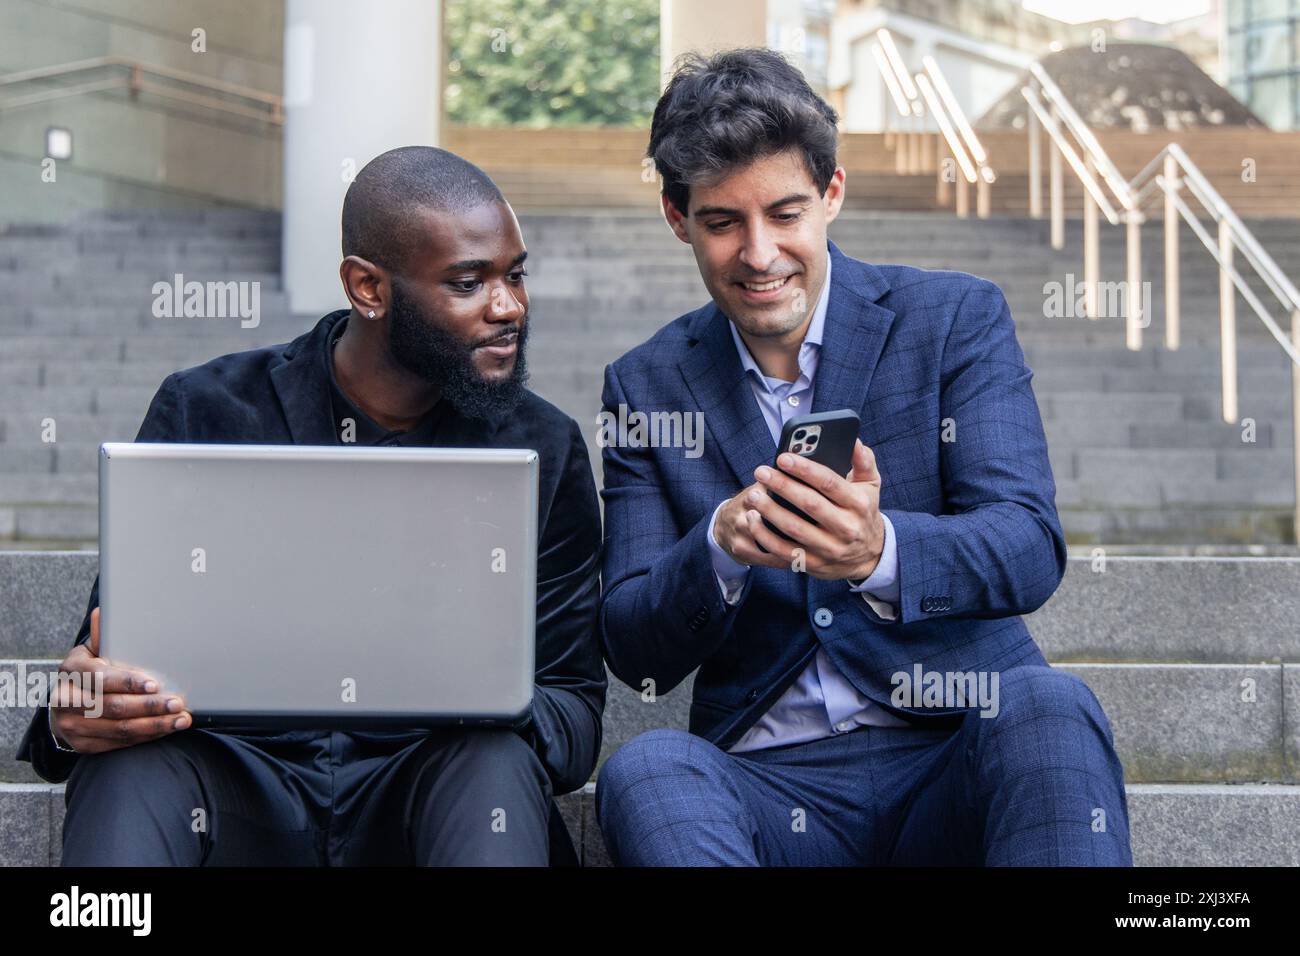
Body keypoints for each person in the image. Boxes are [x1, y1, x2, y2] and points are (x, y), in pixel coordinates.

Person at [594, 49, 1132, 866]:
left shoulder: (953, 318)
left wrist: (882, 553)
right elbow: (633, 643)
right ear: (678, 219)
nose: (761, 254)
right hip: (768, 784)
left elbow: (1028, 545)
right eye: (722, 222)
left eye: (786, 213)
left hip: (956, 751)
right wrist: (720, 548)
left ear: (832, 194)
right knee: (646, 768)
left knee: (1049, 705)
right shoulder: (644, 386)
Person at [16, 146, 606, 867]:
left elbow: (574, 719)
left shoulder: (543, 445)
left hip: (430, 795)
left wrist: (485, 692)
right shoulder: (206, 411)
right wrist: (75, 718)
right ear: (367, 287)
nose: (509, 306)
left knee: (491, 762)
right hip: (230, 787)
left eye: (515, 274)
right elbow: (106, 659)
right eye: (467, 282)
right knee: (128, 768)